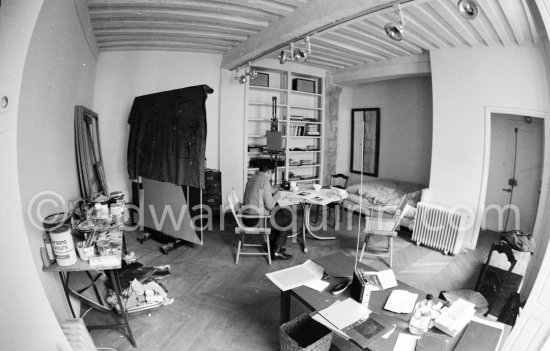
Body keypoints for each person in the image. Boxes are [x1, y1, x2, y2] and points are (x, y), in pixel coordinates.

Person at [242, 160, 293, 260]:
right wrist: (276, 195)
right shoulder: (265, 181)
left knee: (280, 214)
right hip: (258, 220)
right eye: (272, 173)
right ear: (269, 171)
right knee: (286, 219)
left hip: (245, 218)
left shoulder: (252, 178)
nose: (271, 176)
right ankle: (276, 250)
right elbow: (269, 206)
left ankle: (271, 247)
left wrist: (270, 193)